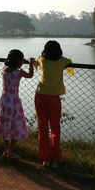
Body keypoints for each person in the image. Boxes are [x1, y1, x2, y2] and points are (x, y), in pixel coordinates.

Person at [32, 40, 72, 168]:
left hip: (40, 95)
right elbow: (70, 71)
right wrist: (67, 67)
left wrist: (31, 60)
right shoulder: (64, 61)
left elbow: (35, 63)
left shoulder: (41, 59)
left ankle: (45, 159)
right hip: (54, 98)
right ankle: (55, 158)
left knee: (42, 128)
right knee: (55, 128)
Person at [0, 49, 34, 158]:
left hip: (4, 101)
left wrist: (19, 62)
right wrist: (31, 64)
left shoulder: (4, 70)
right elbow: (30, 75)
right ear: (19, 61)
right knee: (17, 125)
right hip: (14, 103)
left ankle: (5, 151)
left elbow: (10, 66)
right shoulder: (18, 72)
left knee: (6, 125)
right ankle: (10, 150)